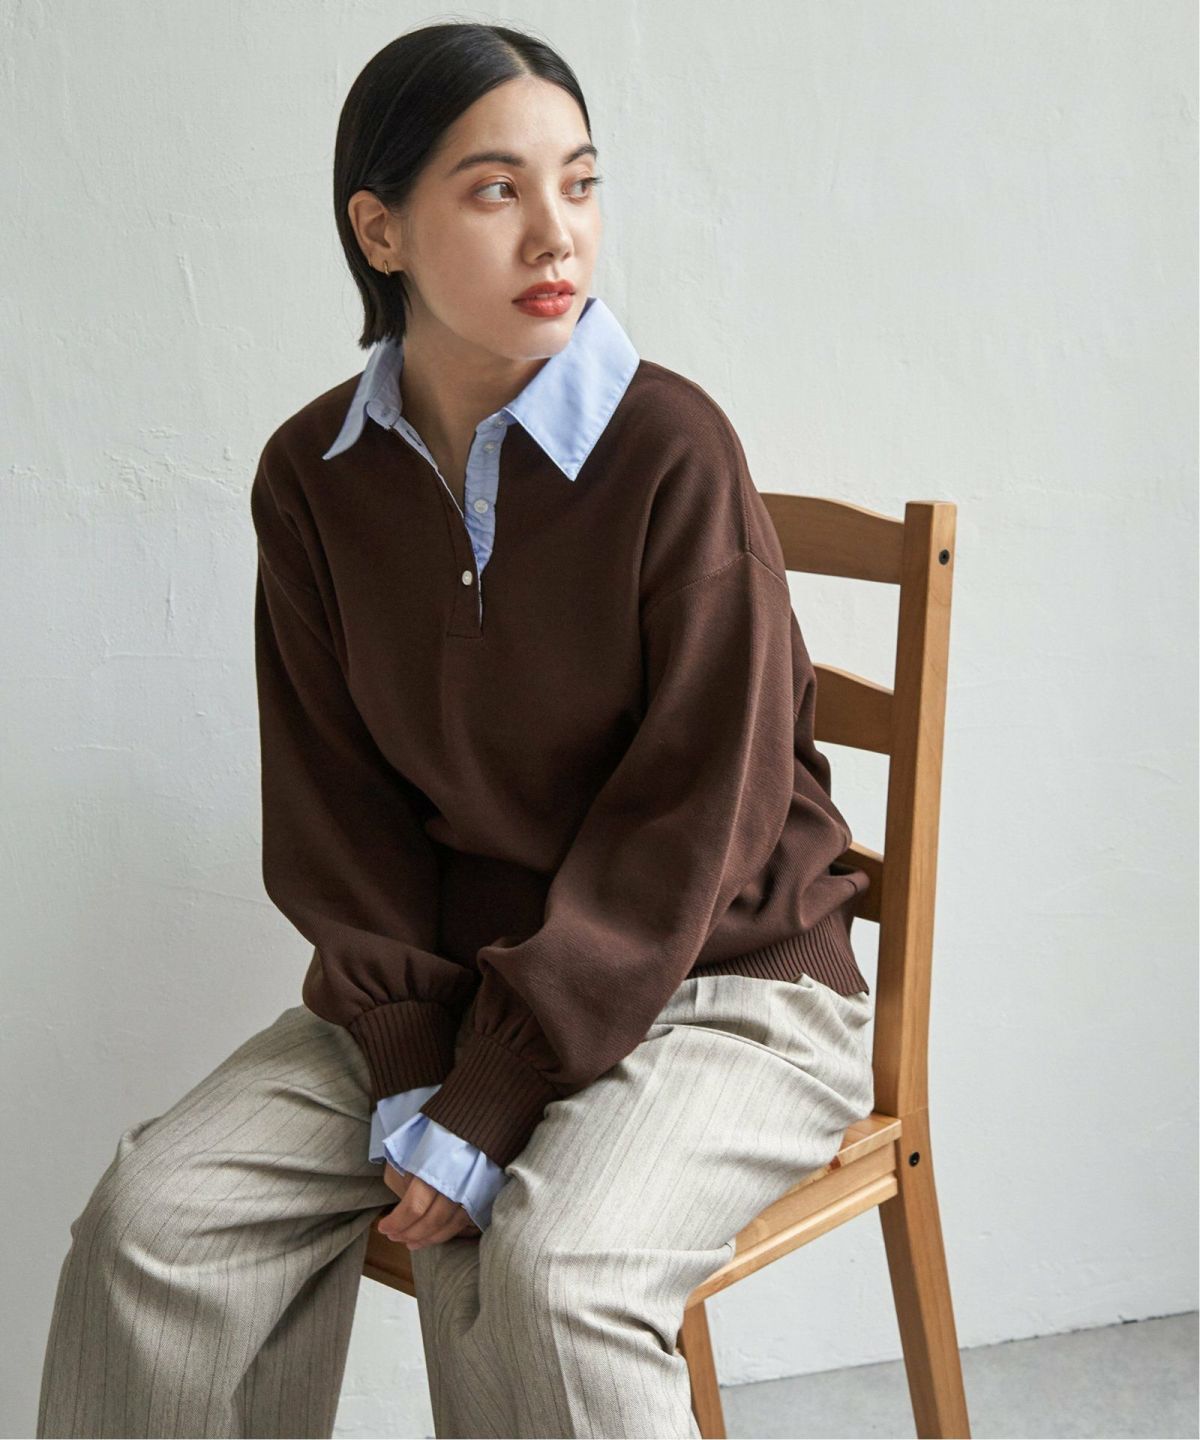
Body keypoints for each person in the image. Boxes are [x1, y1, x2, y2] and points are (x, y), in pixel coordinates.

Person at [36, 21, 876, 1440]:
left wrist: (489, 1097)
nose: (557, 233)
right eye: (497, 190)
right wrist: (420, 1059)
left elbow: (699, 818)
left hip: (725, 984)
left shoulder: (672, 449)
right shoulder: (314, 478)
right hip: (452, 981)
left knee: (547, 1276)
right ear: (381, 231)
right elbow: (336, 808)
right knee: (156, 1225)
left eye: (580, 183)